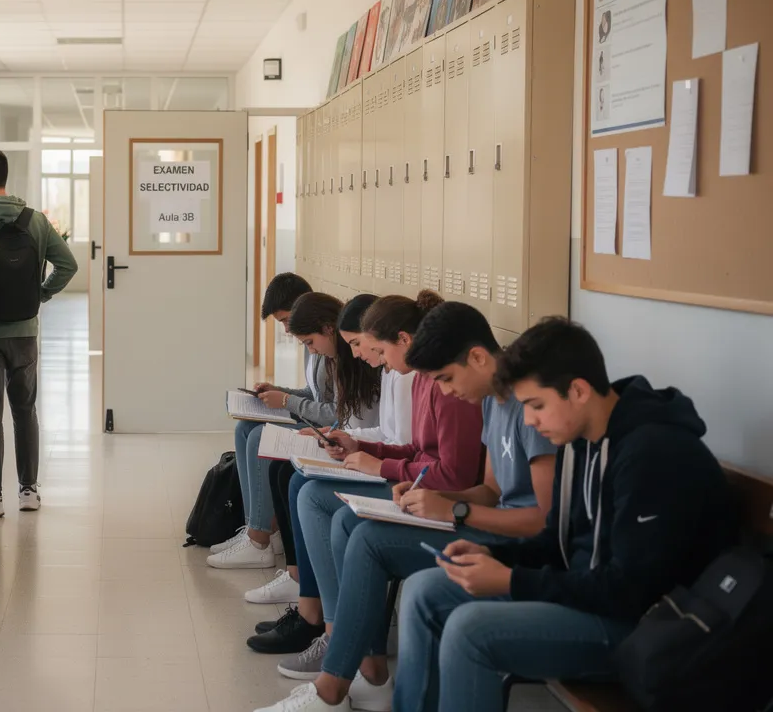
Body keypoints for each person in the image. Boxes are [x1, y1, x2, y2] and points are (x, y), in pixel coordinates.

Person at [392, 317, 737, 712]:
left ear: (578, 391)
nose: (529, 421)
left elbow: (630, 591)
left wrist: (512, 579)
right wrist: (495, 555)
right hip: (589, 594)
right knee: (424, 590)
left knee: (469, 632)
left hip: (650, 628)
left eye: (536, 405)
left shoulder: (653, 453)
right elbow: (559, 542)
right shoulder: (583, 440)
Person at [259, 302, 557, 711]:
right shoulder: (492, 399)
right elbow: (489, 490)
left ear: (477, 358)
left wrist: (454, 508)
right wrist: (440, 501)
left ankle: (337, 684)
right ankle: (354, 674)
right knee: (352, 525)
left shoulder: (531, 406)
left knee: (365, 538)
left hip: (508, 542)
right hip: (482, 520)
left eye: (446, 379)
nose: (446, 391)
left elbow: (542, 521)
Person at [251, 291, 483, 655]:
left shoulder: (431, 382)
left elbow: (447, 471)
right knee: (297, 481)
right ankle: (328, 622)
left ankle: (333, 631)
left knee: (314, 497)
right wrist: (358, 445)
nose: (362, 356)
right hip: (411, 477)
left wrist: (378, 462)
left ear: (402, 340)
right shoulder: (414, 375)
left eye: (369, 347)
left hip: (424, 489)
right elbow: (412, 446)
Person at [249, 293, 413, 607]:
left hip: (389, 471)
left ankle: (313, 598)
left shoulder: (399, 375)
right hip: (370, 454)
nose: (356, 353)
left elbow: (405, 446)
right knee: (281, 466)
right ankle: (298, 579)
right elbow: (380, 432)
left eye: (357, 344)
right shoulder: (385, 369)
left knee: (302, 486)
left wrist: (355, 444)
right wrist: (345, 438)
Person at [0, 148, 77, 518]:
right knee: (25, 410)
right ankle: (28, 490)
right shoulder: (35, 220)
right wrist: (40, 295)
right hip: (24, 331)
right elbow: (67, 265)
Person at [213, 272, 314, 569]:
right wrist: (279, 391)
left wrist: (286, 401)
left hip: (327, 431)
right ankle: (256, 528)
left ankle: (259, 541)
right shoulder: (312, 345)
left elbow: (337, 411)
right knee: (245, 427)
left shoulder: (326, 344)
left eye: (286, 320)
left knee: (261, 437)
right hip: (313, 418)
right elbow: (313, 394)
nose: (286, 329)